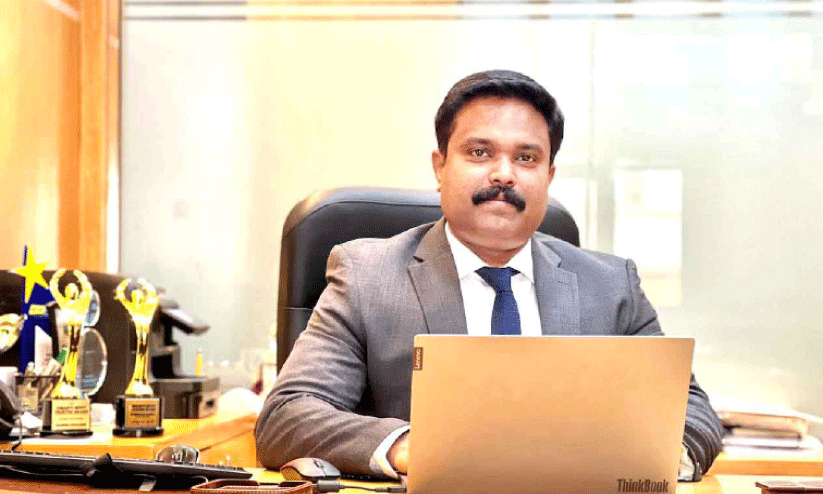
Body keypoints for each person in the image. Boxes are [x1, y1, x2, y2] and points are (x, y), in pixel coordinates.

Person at [255, 70, 723, 481]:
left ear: (549, 176)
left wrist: (639, 459)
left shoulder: (610, 285)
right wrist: (410, 447)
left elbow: (693, 413)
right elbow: (287, 417)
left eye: (526, 158)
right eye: (480, 152)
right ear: (440, 167)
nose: (504, 175)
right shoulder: (368, 276)